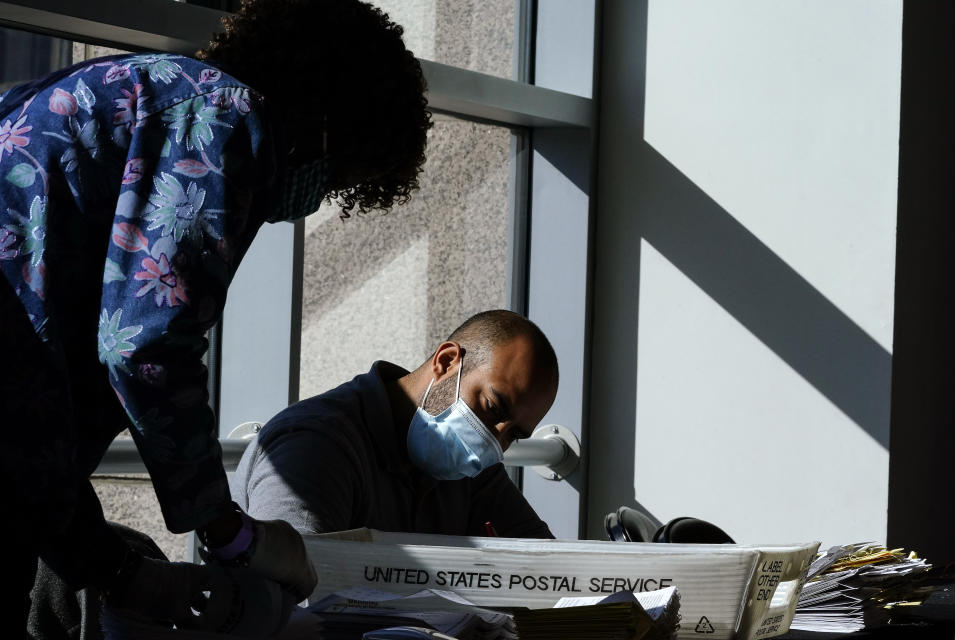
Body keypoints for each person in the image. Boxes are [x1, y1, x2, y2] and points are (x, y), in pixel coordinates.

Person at [0, 0, 431, 632]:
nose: (318, 193)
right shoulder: (225, 117)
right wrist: (230, 533)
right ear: (327, 122)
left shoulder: (138, 88)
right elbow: (145, 347)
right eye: (338, 173)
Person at [232, 310, 559, 539]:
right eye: (491, 406)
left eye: (514, 434)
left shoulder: (470, 467)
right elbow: (288, 594)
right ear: (446, 363)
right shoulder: (317, 447)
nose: (494, 442)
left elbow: (549, 573)